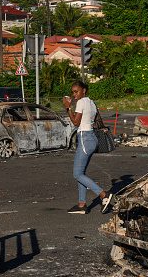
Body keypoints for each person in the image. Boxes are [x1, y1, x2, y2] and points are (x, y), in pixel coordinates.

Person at [62, 81, 113, 214]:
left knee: (77, 174)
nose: (74, 95)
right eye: (73, 92)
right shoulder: (91, 102)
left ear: (83, 90)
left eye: (76, 91)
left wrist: (68, 108)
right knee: (81, 172)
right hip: (92, 139)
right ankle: (81, 204)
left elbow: (75, 122)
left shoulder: (82, 102)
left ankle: (103, 194)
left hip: (85, 138)